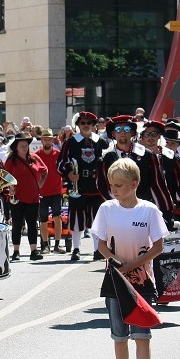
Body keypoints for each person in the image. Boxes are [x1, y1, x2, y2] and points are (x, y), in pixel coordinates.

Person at [93, 158, 166, 359]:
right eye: (111, 184)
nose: (114, 190)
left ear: (134, 184)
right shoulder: (106, 209)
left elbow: (158, 246)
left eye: (120, 185)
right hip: (115, 281)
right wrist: (115, 262)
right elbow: (101, 244)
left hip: (142, 281)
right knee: (120, 335)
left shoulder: (149, 210)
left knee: (142, 334)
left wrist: (132, 266)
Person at [58, 111, 109, 261]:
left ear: (94, 125)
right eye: (83, 123)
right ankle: (76, 249)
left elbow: (108, 162)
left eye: (89, 123)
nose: (86, 125)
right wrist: (68, 174)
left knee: (97, 220)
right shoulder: (71, 142)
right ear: (78, 125)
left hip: (96, 186)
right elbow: (61, 162)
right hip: (77, 186)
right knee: (76, 219)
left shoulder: (101, 142)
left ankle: (97, 250)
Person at [3, 133, 47, 261]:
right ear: (16, 146)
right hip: (16, 197)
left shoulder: (34, 158)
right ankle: (16, 251)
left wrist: (40, 184)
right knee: (17, 224)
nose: (24, 147)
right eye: (21, 145)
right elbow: (4, 176)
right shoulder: (11, 160)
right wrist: (9, 188)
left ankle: (34, 251)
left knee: (32, 224)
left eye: (26, 145)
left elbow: (45, 170)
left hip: (33, 197)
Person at [35, 127, 64, 254]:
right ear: (41, 140)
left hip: (56, 190)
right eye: (45, 139)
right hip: (42, 192)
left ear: (52, 141)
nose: (47, 142)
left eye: (49, 140)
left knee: (57, 217)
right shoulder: (36, 155)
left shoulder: (58, 154)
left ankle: (57, 245)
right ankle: (45, 245)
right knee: (43, 219)